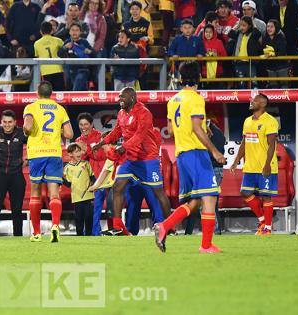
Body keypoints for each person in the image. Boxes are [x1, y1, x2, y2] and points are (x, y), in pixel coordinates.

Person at [155, 61, 226, 254]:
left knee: (194, 202)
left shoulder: (173, 100)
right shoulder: (196, 98)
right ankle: (206, 245)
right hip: (196, 153)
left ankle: (165, 226)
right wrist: (214, 151)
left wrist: (200, 130)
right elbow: (196, 127)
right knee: (210, 196)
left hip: (182, 155)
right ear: (198, 77)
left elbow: (170, 130)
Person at [93, 88, 171, 236]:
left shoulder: (144, 113)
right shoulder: (121, 113)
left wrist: (123, 147)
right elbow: (116, 131)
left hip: (147, 158)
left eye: (122, 97)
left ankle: (170, 227)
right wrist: (101, 142)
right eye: (118, 97)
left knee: (158, 192)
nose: (119, 99)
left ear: (133, 97)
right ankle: (117, 227)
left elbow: (140, 136)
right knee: (117, 187)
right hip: (130, 158)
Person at [23, 81, 74, 242]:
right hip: (53, 153)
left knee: (35, 192)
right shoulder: (60, 109)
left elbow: (28, 127)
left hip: (37, 154)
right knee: (54, 193)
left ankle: (37, 233)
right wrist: (56, 129)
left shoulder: (31, 107)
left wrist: (26, 130)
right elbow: (69, 134)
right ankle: (55, 226)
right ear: (51, 93)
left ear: (37, 93)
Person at [231, 94, 278, 235]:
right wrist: (236, 160)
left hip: (265, 167)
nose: (251, 101)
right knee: (245, 193)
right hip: (250, 167)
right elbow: (244, 142)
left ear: (263, 104)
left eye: (255, 100)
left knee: (266, 196)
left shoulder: (270, 121)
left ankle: (268, 229)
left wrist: (268, 164)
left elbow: (271, 145)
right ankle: (263, 221)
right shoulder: (247, 121)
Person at [0, 110, 27, 236]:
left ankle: (18, 237)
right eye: (4, 122)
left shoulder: (22, 133)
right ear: (1, 122)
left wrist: (29, 159)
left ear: (15, 122)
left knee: (17, 210)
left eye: (10, 122)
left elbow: (35, 144)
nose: (7, 125)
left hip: (16, 175)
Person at [185, 119, 226, 235]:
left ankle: (215, 231)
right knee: (202, 201)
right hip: (209, 169)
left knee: (208, 201)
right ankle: (190, 232)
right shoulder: (209, 130)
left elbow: (212, 153)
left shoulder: (215, 133)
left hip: (213, 169)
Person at [75, 112, 106, 236]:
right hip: (86, 179)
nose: (84, 127)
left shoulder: (100, 137)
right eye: (81, 124)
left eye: (86, 124)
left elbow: (101, 156)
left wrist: (85, 150)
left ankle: (94, 233)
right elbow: (78, 160)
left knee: (97, 207)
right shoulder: (78, 140)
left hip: (102, 176)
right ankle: (90, 232)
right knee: (89, 209)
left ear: (92, 124)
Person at [63, 143, 95, 236]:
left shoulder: (86, 164)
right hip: (77, 198)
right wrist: (60, 179)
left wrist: (94, 185)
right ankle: (79, 236)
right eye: (76, 151)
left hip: (89, 196)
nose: (79, 153)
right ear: (70, 154)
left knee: (89, 217)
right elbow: (68, 184)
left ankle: (89, 236)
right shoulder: (67, 168)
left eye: (80, 151)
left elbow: (93, 177)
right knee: (79, 218)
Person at [58, 23, 96, 91]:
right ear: (69, 32)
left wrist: (89, 52)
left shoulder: (84, 42)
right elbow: (59, 54)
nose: (74, 32)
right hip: (70, 71)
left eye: (77, 30)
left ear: (80, 32)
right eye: (72, 30)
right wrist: (65, 47)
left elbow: (94, 54)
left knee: (76, 89)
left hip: (82, 70)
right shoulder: (67, 42)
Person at [34, 22, 65, 91]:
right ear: (52, 31)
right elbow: (64, 51)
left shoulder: (36, 43)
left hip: (45, 71)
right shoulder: (58, 40)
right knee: (59, 93)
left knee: (47, 93)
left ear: (41, 31)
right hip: (58, 69)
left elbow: (37, 56)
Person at [233, 16, 262, 88]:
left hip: (250, 63)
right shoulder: (238, 33)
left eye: (244, 25)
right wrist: (236, 26)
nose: (241, 28)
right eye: (241, 25)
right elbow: (230, 34)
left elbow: (257, 34)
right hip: (239, 63)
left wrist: (254, 25)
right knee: (241, 84)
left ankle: (255, 98)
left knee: (254, 83)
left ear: (249, 26)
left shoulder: (253, 34)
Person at [261, 19, 289, 89]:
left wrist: (273, 54)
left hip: (282, 67)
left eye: (271, 27)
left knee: (284, 86)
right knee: (273, 86)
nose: (269, 29)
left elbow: (282, 52)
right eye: (268, 26)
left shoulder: (281, 37)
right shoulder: (265, 37)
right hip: (270, 67)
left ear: (276, 27)